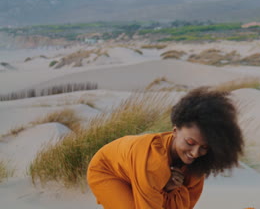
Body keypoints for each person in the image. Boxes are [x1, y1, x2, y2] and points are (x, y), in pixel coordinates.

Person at [87, 87, 244, 209]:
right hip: (109, 171)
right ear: (175, 131)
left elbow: (187, 204)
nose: (195, 153)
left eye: (204, 147)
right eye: (190, 142)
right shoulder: (152, 161)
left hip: (145, 177)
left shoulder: (198, 164)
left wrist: (169, 190)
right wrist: (163, 186)